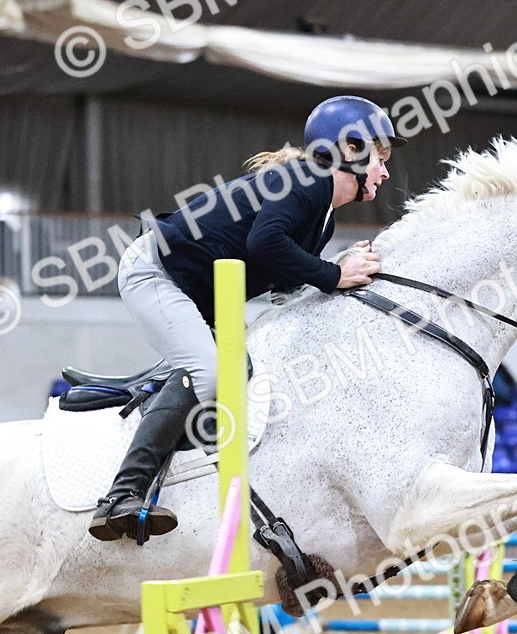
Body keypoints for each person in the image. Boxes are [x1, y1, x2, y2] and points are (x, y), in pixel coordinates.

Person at [89, 96, 405, 543]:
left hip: (193, 291)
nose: (385, 173)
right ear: (349, 148)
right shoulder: (306, 180)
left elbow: (284, 283)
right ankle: (121, 495)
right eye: (380, 159)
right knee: (209, 371)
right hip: (155, 272)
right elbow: (265, 244)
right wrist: (334, 273)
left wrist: (336, 265)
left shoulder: (322, 219)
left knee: (242, 372)